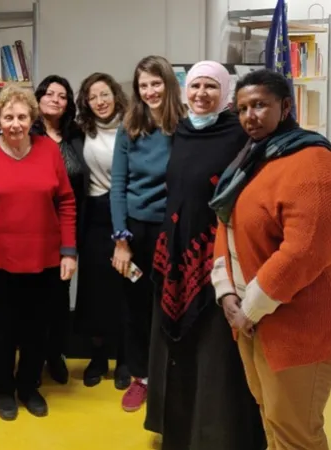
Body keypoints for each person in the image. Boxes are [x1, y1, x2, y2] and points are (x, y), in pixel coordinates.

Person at [144, 61, 266, 450]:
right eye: (195, 85)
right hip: (176, 251)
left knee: (215, 350)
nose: (201, 93)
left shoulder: (239, 134)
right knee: (177, 345)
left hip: (219, 256)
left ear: (225, 92)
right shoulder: (181, 131)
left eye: (211, 86)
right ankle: (180, 431)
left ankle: (214, 437)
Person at [210, 69, 331, 450]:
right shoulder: (253, 156)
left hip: (296, 325)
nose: (250, 116)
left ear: (286, 106)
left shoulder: (312, 160)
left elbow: (306, 250)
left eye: (261, 105)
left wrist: (250, 306)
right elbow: (226, 223)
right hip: (250, 319)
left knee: (296, 432)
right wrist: (226, 292)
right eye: (243, 108)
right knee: (271, 418)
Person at [0, 85, 77, 421]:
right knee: (3, 331)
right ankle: (4, 388)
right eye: (8, 117)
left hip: (44, 258)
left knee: (37, 329)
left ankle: (29, 386)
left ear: (32, 119)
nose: (15, 124)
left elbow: (66, 202)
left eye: (23, 117)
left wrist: (69, 252)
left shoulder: (48, 150)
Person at [110, 55, 184, 413]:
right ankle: (140, 377)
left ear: (168, 84)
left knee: (171, 303)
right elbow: (118, 185)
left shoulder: (185, 126)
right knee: (136, 306)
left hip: (173, 229)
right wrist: (121, 241)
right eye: (143, 86)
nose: (151, 91)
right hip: (135, 232)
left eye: (156, 83)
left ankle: (170, 376)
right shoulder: (129, 127)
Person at [72, 72, 131, 389]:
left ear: (115, 95)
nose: (100, 101)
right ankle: (97, 357)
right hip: (93, 217)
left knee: (127, 287)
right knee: (94, 291)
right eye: (92, 96)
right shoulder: (81, 130)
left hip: (126, 216)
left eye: (104, 94)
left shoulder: (133, 126)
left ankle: (124, 359)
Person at [30, 74, 87, 385]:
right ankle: (33, 356)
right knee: (34, 296)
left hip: (67, 227)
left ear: (68, 104)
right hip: (33, 228)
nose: (55, 99)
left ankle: (56, 353)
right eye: (49, 93)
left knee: (60, 295)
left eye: (62, 96)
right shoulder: (26, 132)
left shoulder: (77, 136)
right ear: (38, 98)